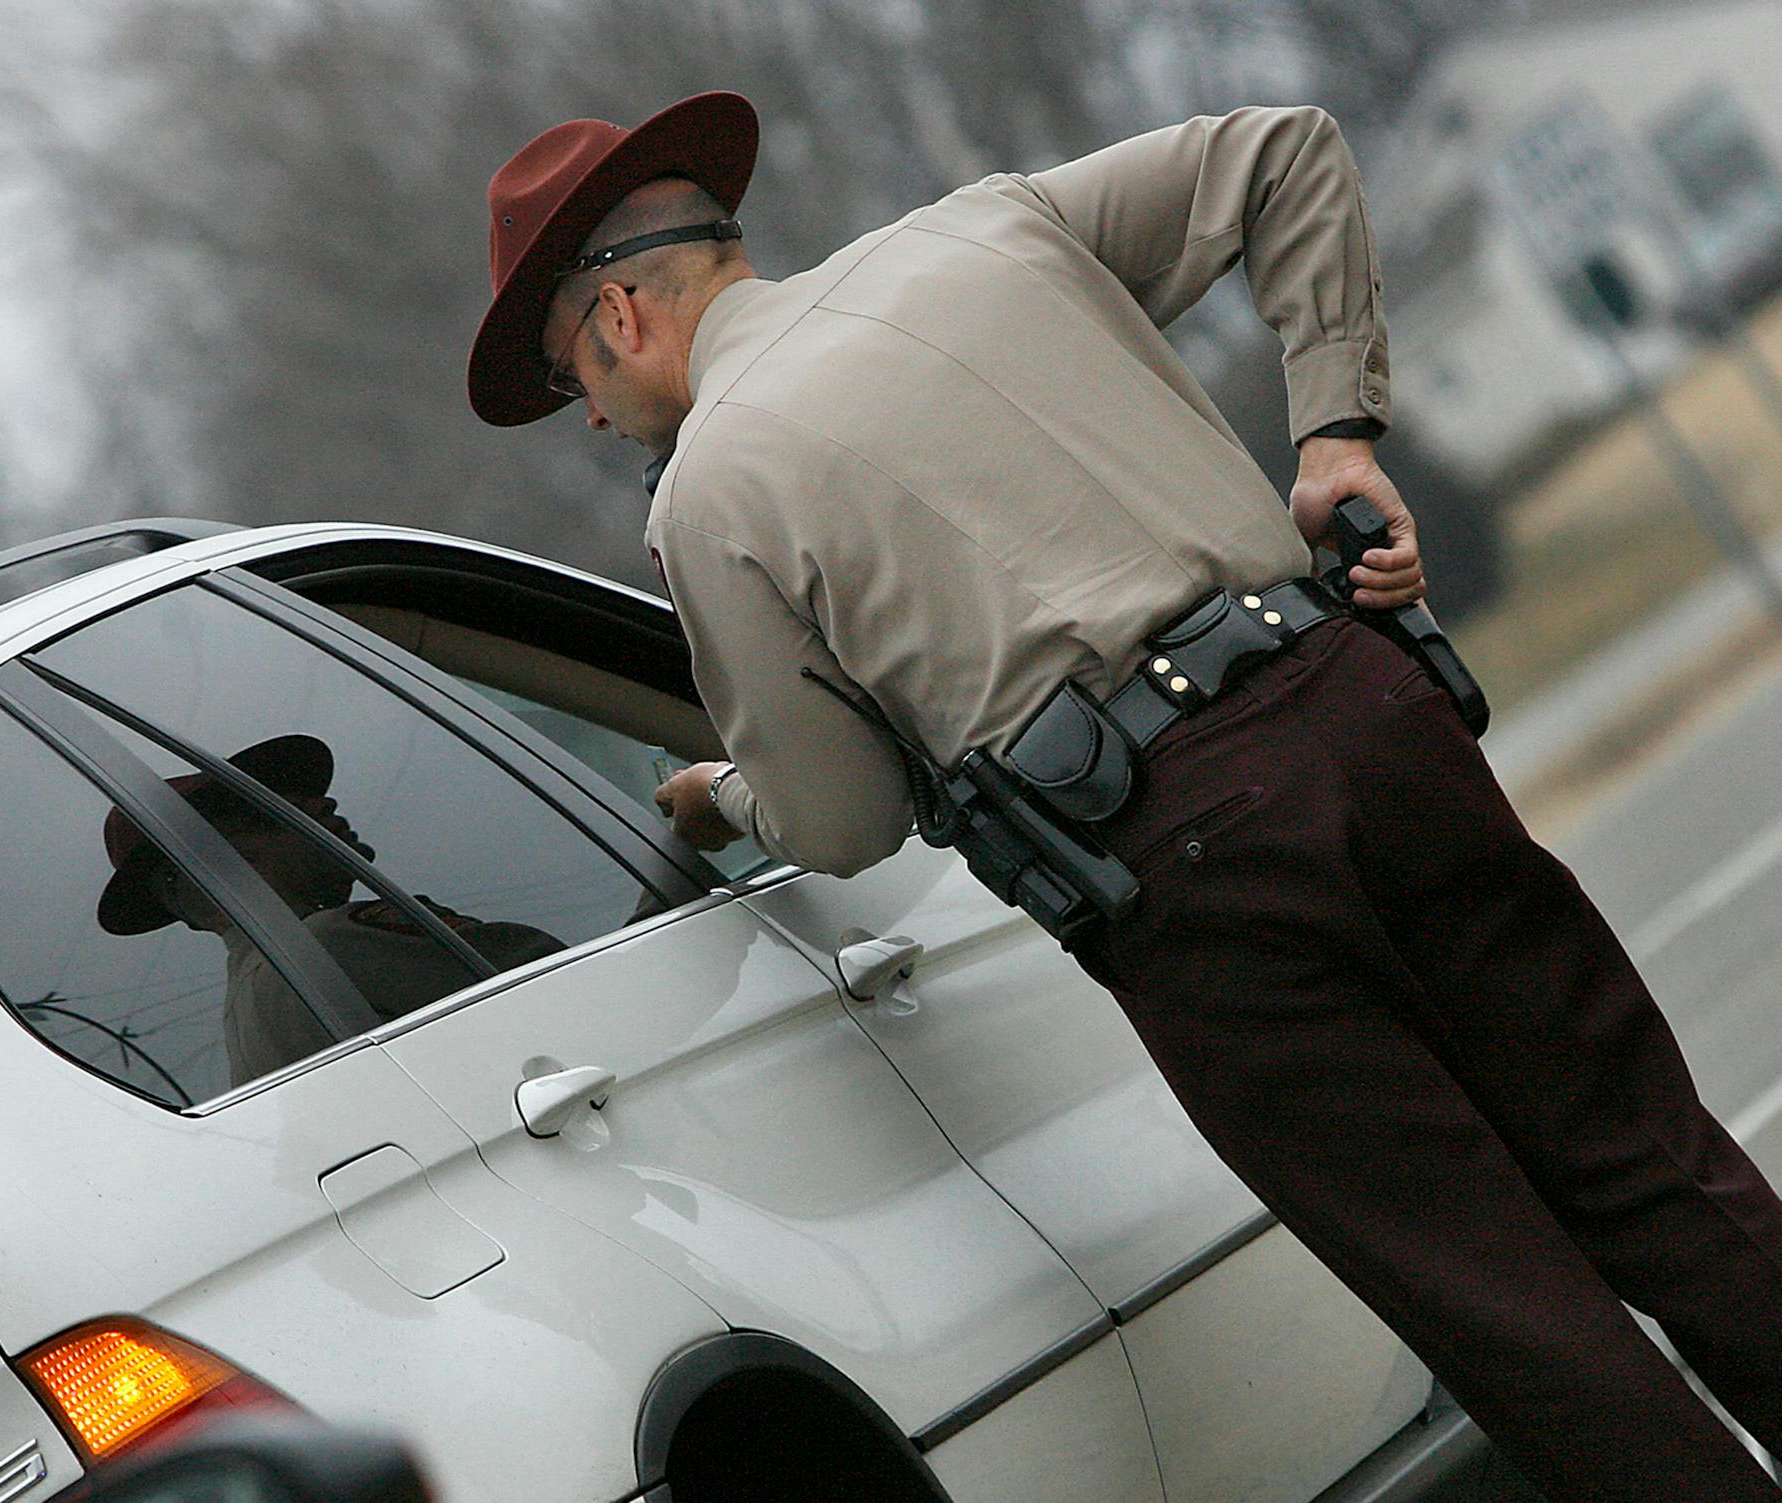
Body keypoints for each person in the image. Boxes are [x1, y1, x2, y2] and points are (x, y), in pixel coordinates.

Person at [466, 91, 1782, 1500]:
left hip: (1191, 862)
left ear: (618, 319)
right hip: (1367, 706)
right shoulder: (985, 231)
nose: (592, 417)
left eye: (567, 385)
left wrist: (726, 795)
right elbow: (1287, 152)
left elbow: (840, 817)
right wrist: (1336, 436)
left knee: (1515, 1309)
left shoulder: (709, 490)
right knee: (1654, 1166)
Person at [97, 733, 562, 1083]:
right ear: (229, 858)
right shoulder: (330, 944)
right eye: (280, 807)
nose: (324, 804)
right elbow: (557, 981)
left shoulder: (245, 1013)